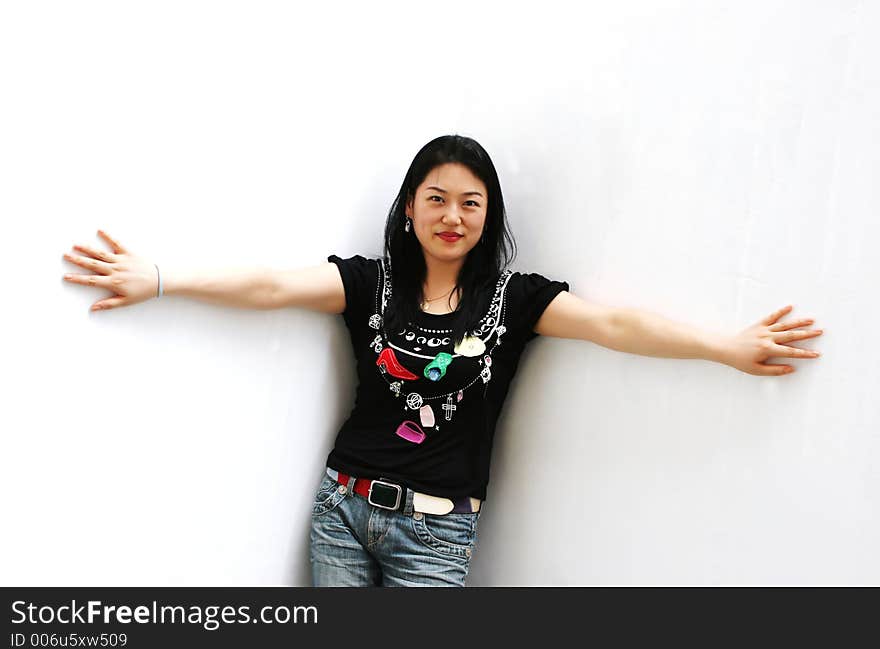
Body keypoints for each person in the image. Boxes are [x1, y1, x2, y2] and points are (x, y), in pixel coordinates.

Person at [62, 135, 824, 586]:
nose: (452, 216)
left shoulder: (515, 300)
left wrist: (725, 346)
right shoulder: (370, 282)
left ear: (488, 215)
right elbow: (269, 285)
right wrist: (159, 279)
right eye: (436, 198)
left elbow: (615, 323)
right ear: (409, 207)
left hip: (438, 533)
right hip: (341, 511)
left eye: (470, 202)